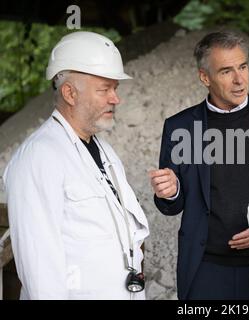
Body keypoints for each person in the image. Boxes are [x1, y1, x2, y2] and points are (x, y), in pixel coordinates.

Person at [149, 31, 249, 299]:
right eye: (227, 71)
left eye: (243, 67)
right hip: (205, 270)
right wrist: (170, 192)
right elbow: (172, 204)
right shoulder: (179, 127)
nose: (240, 79)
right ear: (205, 77)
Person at [3, 31, 149, 300]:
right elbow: (41, 273)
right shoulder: (39, 158)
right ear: (70, 93)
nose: (115, 98)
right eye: (105, 89)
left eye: (114, 89)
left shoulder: (104, 152)